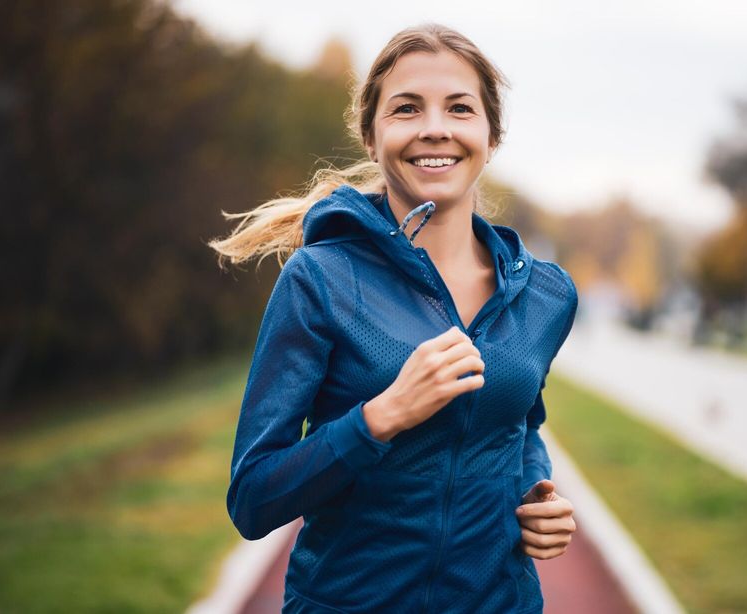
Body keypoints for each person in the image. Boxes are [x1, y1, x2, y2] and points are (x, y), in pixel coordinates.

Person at [208, 23, 579, 613]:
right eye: (407, 109)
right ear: (372, 135)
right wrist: (382, 417)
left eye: (459, 108)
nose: (436, 127)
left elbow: (522, 423)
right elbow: (253, 500)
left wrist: (537, 494)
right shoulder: (320, 279)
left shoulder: (546, 295)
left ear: (490, 133)